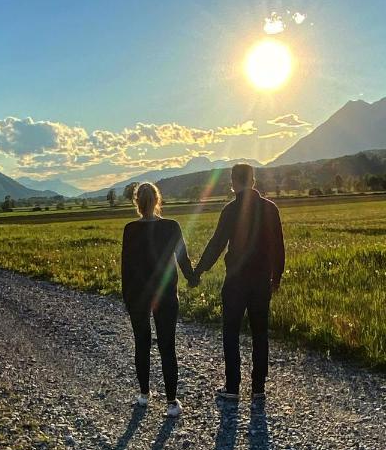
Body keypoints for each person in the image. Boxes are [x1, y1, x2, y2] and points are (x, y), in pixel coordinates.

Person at [191, 163, 285, 401]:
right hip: (261, 281)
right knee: (260, 333)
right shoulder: (270, 209)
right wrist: (277, 276)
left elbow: (216, 244)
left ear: (233, 182)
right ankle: (258, 388)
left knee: (231, 332)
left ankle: (232, 387)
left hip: (235, 281)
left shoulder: (230, 211)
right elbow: (278, 246)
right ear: (253, 181)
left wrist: (198, 270)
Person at [121, 182, 195, 417]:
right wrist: (193, 278)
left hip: (138, 297)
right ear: (157, 201)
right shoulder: (171, 227)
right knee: (167, 346)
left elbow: (126, 269)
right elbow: (183, 259)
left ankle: (144, 395)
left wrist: (128, 300)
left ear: (137, 203)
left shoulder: (130, 229)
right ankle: (172, 402)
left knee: (141, 344)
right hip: (166, 296)